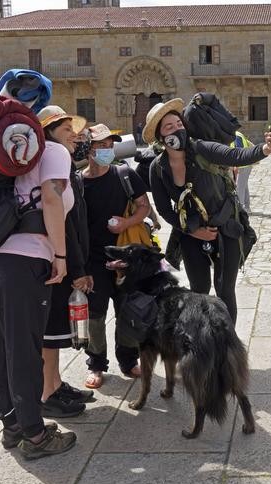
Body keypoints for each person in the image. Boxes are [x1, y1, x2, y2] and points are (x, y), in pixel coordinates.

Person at [0, 105, 80, 459]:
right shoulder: (52, 153)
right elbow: (51, 198)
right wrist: (60, 257)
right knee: (24, 349)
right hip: (26, 259)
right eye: (67, 126)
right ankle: (35, 435)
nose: (75, 134)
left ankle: (12, 426)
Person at [146, 98, 271, 322]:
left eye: (179, 125)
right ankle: (204, 340)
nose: (177, 130)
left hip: (225, 226)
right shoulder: (157, 168)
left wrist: (266, 148)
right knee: (199, 289)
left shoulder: (201, 148)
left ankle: (227, 348)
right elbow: (163, 208)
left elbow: (236, 156)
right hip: (191, 231)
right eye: (169, 127)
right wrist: (192, 231)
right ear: (161, 137)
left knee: (224, 289)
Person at [82, 123, 152, 390]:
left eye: (110, 145)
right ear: (89, 149)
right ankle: (97, 364)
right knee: (95, 316)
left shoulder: (124, 174)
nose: (107, 150)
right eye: (101, 145)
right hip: (94, 260)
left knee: (129, 312)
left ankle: (128, 359)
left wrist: (125, 223)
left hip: (127, 258)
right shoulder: (78, 182)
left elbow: (144, 207)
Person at [39, 110, 95, 418]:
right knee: (50, 332)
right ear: (48, 133)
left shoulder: (64, 164)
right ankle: (47, 393)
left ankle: (55, 383)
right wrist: (76, 268)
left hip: (65, 257)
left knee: (57, 330)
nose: (74, 134)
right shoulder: (55, 165)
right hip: (56, 259)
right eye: (65, 128)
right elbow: (65, 221)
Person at [231, 131, 256, 213]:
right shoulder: (238, 134)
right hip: (246, 164)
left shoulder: (236, 135)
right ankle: (247, 207)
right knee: (244, 186)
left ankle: (240, 209)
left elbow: (239, 151)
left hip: (243, 165)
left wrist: (236, 166)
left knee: (239, 187)